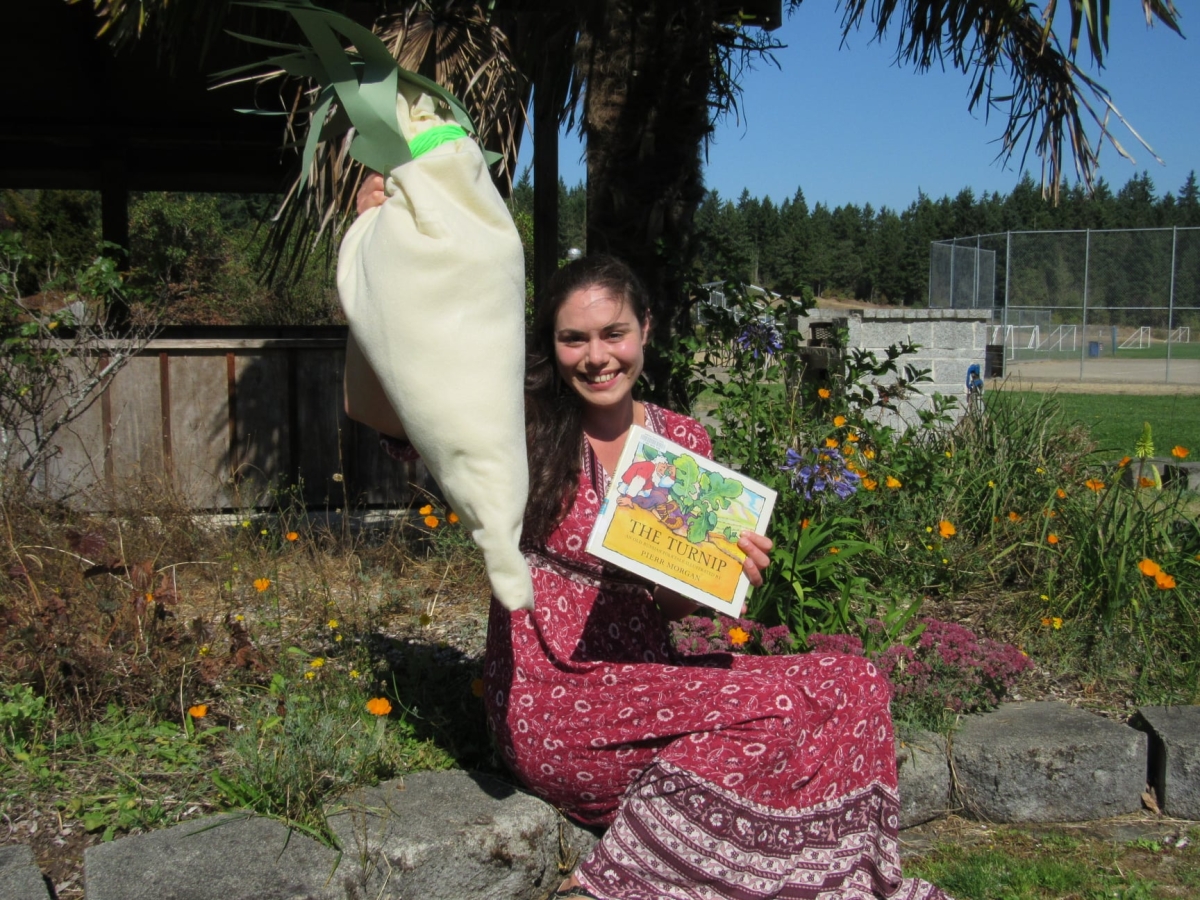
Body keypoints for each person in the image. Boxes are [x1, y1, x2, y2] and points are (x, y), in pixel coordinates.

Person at [356, 176, 947, 900]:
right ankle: (660, 869)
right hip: (555, 702)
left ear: (645, 330)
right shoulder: (518, 428)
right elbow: (378, 407)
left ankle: (822, 866)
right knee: (785, 713)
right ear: (552, 344)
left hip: (654, 682)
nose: (597, 355)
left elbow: (678, 614)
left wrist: (720, 576)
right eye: (574, 338)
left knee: (854, 681)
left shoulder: (681, 443)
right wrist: (378, 264)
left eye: (614, 333)